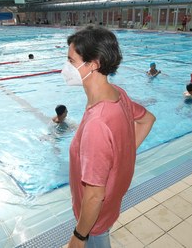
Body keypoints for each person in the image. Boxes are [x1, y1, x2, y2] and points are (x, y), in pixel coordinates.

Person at [62, 26, 155, 247]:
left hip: (93, 222)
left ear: (93, 64)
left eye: (71, 61)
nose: (66, 67)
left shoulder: (97, 123)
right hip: (110, 206)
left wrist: (79, 236)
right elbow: (147, 120)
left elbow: (94, 196)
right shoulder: (117, 94)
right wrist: (121, 160)